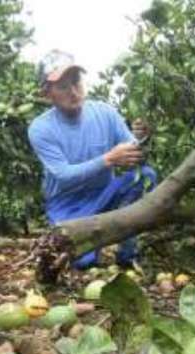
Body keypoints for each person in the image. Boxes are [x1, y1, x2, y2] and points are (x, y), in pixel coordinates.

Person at [27, 50, 157, 269]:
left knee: (144, 177)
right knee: (81, 263)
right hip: (66, 203)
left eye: (76, 81)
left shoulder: (105, 113)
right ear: (47, 94)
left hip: (103, 195)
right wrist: (108, 159)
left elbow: (136, 158)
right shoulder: (40, 129)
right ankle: (91, 248)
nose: (73, 91)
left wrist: (143, 141)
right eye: (62, 87)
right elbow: (63, 176)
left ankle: (128, 254)